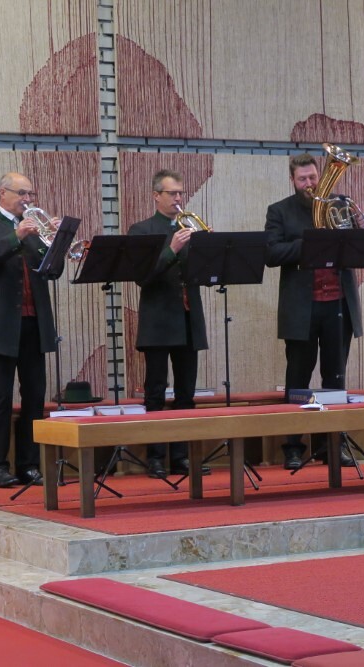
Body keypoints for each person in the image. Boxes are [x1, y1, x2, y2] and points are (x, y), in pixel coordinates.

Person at [265, 153, 364, 470]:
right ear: (292, 181)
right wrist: (309, 242)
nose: (309, 184)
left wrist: (361, 229)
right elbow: (271, 252)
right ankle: (293, 447)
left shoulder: (341, 205)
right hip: (302, 308)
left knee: (335, 379)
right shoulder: (280, 211)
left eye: (312, 177)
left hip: (338, 305)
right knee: (298, 378)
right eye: (302, 179)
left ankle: (331, 446)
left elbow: (361, 250)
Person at [0, 172, 58, 488]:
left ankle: (29, 464)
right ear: (2, 193)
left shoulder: (35, 230)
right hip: (1, 325)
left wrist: (57, 241)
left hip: (34, 322)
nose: (28, 200)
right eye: (22, 193)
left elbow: (53, 271)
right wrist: (16, 236)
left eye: (30, 194)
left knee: (35, 395)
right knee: (0, 396)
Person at [128, 169, 211, 478]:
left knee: (186, 393)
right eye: (172, 193)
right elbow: (143, 277)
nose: (178, 198)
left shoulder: (189, 227)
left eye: (180, 193)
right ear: (156, 196)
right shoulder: (141, 231)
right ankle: (155, 457)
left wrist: (209, 249)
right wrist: (172, 249)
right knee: (156, 392)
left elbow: (203, 273)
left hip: (188, 319)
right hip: (159, 322)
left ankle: (181, 456)